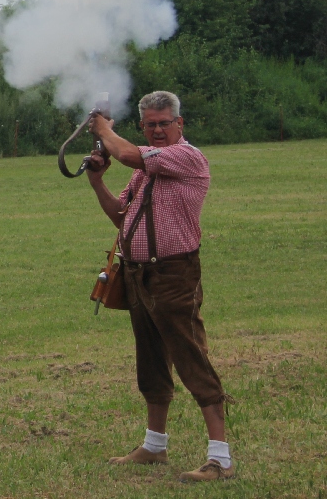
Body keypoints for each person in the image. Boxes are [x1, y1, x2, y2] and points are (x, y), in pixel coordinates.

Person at [85, 90, 235, 482]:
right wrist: (96, 181)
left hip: (174, 275)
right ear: (143, 126)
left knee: (191, 358)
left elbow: (128, 154)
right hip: (138, 274)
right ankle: (154, 445)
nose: (157, 130)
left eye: (164, 123)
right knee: (150, 361)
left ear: (179, 124)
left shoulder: (186, 156)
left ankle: (220, 458)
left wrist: (103, 129)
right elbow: (121, 216)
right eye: (150, 124)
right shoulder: (142, 171)